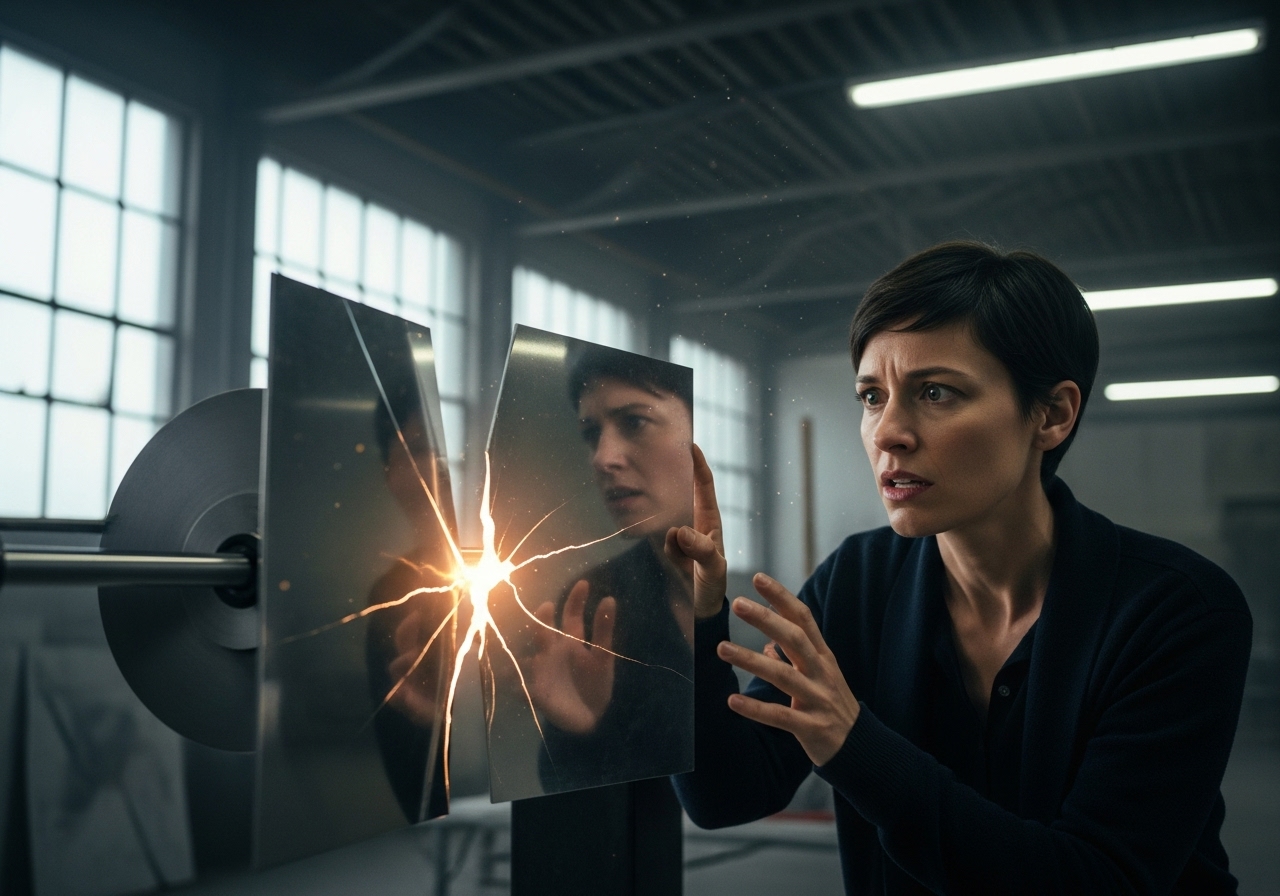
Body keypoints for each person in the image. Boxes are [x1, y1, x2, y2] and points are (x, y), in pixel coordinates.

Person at [666, 241, 1252, 894]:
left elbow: (1095, 879)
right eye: (870, 396)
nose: (888, 432)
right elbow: (722, 797)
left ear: (1052, 415)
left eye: (936, 391)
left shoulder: (1181, 611)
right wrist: (691, 620)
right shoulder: (857, 581)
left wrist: (858, 748)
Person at [524, 347, 696, 792]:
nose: (603, 458)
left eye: (634, 423)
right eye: (591, 433)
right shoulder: (597, 603)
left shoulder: (793, 593)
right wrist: (578, 731)